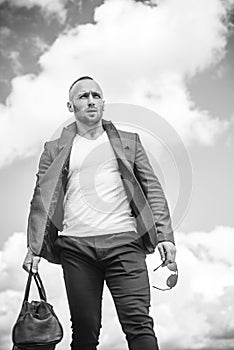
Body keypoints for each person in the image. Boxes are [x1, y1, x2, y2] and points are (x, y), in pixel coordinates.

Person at [23, 76, 176, 350]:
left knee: (139, 325)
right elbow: (41, 199)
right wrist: (34, 248)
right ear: (70, 106)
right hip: (76, 248)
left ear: (103, 102)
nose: (91, 100)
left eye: (96, 95)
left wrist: (165, 236)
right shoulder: (53, 149)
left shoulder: (130, 142)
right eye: (83, 96)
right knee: (83, 331)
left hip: (125, 244)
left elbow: (153, 189)